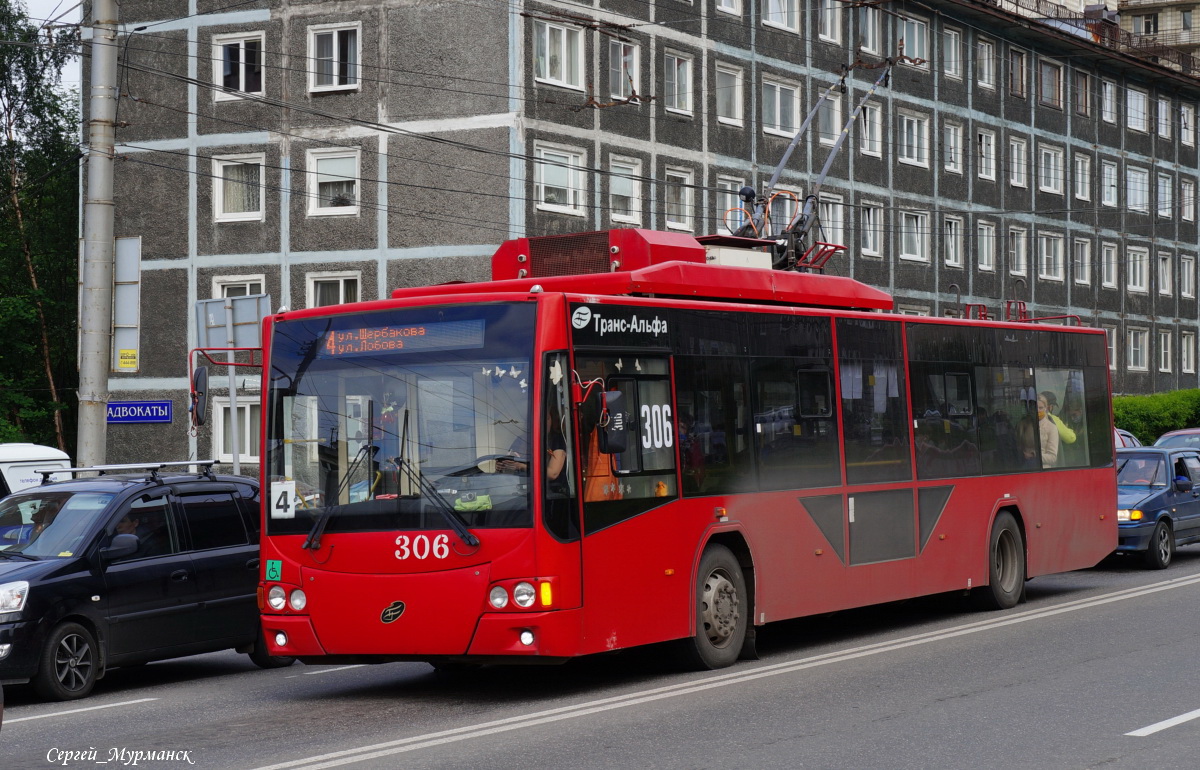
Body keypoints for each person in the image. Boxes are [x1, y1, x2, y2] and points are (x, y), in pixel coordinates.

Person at [1019, 395, 1060, 468]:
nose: (1037, 410)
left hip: (1042, 469)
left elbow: (1053, 457)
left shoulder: (1051, 427)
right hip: (1024, 467)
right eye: (1035, 407)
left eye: (1040, 408)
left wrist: (1034, 456)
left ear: (1046, 408)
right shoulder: (1024, 424)